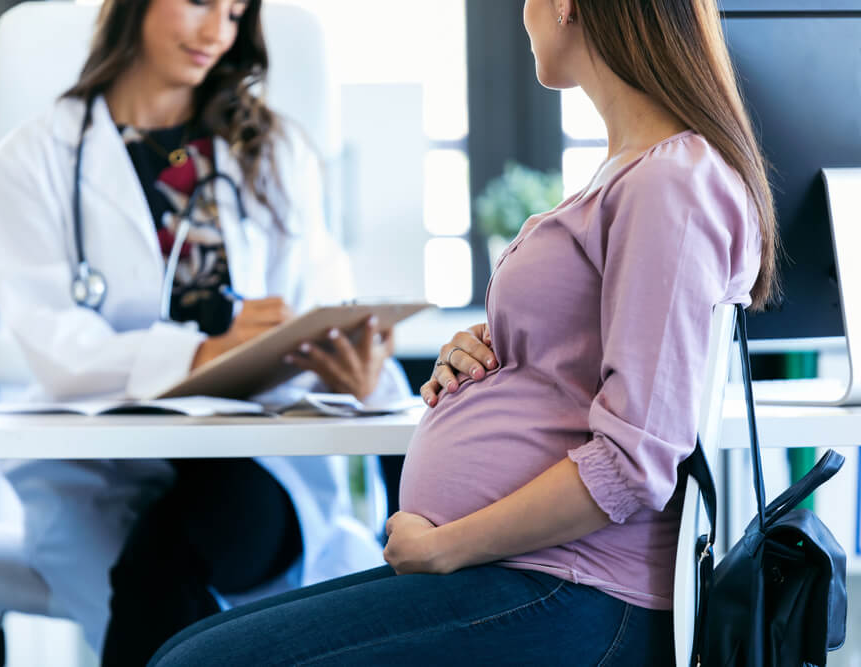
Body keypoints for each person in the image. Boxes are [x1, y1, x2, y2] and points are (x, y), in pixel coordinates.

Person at [146, 0, 779, 664]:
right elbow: (583, 362)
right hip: (531, 570)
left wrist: (446, 545)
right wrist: (491, 356)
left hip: (581, 590)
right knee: (186, 648)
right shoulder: (633, 173)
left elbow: (633, 463)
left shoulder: (672, 182)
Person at [0, 0, 409, 664]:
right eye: (202, 2)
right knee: (160, 570)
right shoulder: (32, 160)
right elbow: (58, 346)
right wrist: (207, 351)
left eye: (236, 13)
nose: (218, 32)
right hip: (102, 470)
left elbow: (318, 298)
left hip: (255, 470)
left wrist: (357, 370)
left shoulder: (273, 150)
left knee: (164, 556)